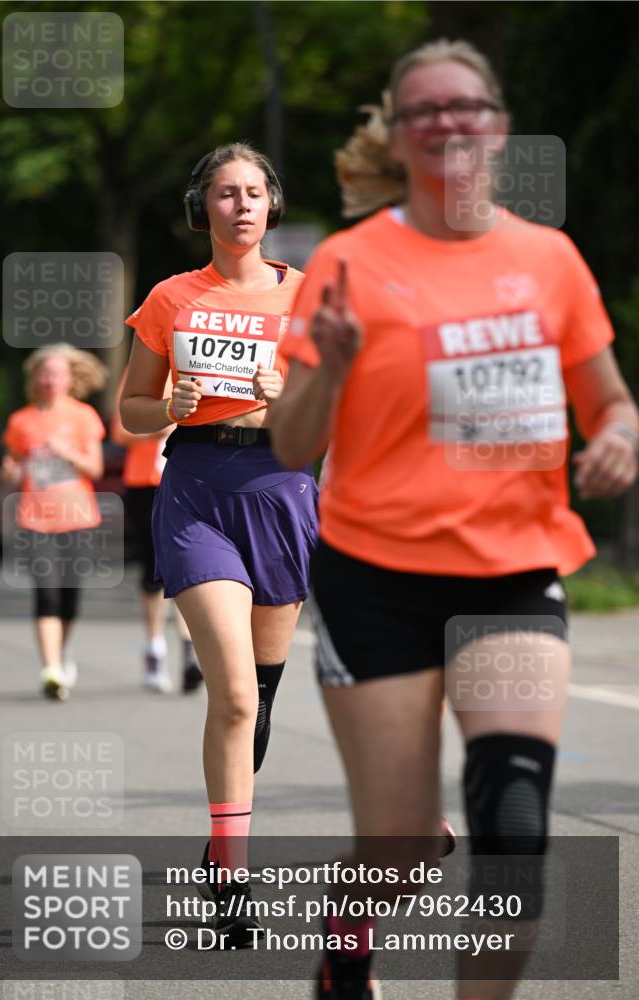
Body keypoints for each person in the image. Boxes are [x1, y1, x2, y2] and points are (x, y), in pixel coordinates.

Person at [270, 38, 639, 1000]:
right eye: (423, 110)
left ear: (498, 126)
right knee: (394, 839)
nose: (447, 122)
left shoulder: (547, 259)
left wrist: (618, 439)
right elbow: (288, 444)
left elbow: (610, 402)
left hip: (513, 575)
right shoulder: (349, 263)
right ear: (397, 136)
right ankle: (347, 940)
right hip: (375, 580)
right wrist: (338, 366)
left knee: (513, 832)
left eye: (464, 106)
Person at [120, 142, 319, 944]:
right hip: (197, 487)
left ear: (271, 206)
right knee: (232, 693)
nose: (240, 205)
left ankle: (216, 845)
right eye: (225, 193)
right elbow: (130, 410)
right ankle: (233, 874)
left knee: (261, 697)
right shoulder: (172, 296)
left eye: (254, 193)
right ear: (202, 207)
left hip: (281, 491)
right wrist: (170, 402)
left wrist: (289, 397)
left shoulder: (308, 298)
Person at [1, 344, 108, 701]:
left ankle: (60, 655)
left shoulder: (83, 416)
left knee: (69, 600)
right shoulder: (21, 421)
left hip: (78, 517)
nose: (49, 380)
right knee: (45, 593)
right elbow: (13, 468)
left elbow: (96, 469)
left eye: (57, 374)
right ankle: (50, 669)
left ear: (69, 379)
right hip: (35, 519)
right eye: (44, 373)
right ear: (34, 378)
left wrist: (68, 453)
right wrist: (10, 472)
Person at [111, 370, 203, 694]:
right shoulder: (146, 371)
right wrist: (162, 422)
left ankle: (191, 653)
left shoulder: (203, 367)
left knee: (190, 567)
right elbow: (121, 430)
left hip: (192, 479)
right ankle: (155, 649)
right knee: (153, 570)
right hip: (146, 482)